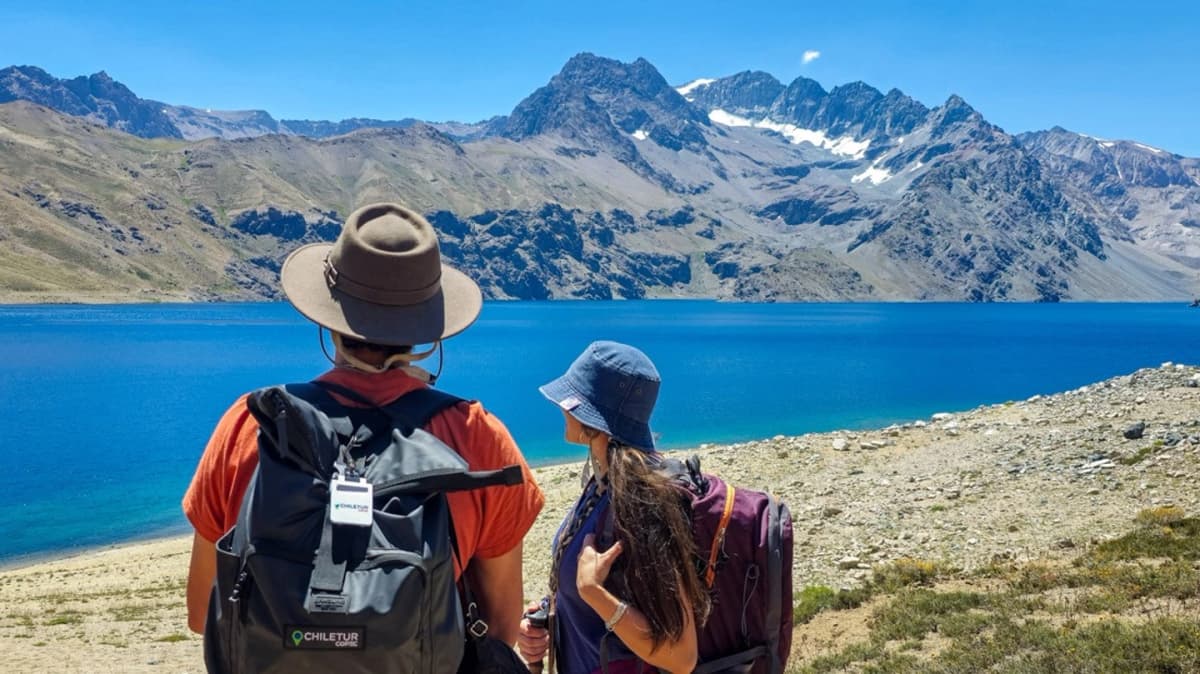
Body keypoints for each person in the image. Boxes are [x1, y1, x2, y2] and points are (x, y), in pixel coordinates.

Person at [182, 202, 545, 653]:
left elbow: (202, 612)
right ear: (428, 332)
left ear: (329, 319)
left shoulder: (251, 423)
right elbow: (500, 627)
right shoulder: (477, 438)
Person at [518, 341, 710, 674]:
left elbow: (681, 656)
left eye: (571, 399)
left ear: (593, 419)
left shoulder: (641, 503)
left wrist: (591, 592)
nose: (561, 407)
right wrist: (551, 612)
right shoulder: (604, 482)